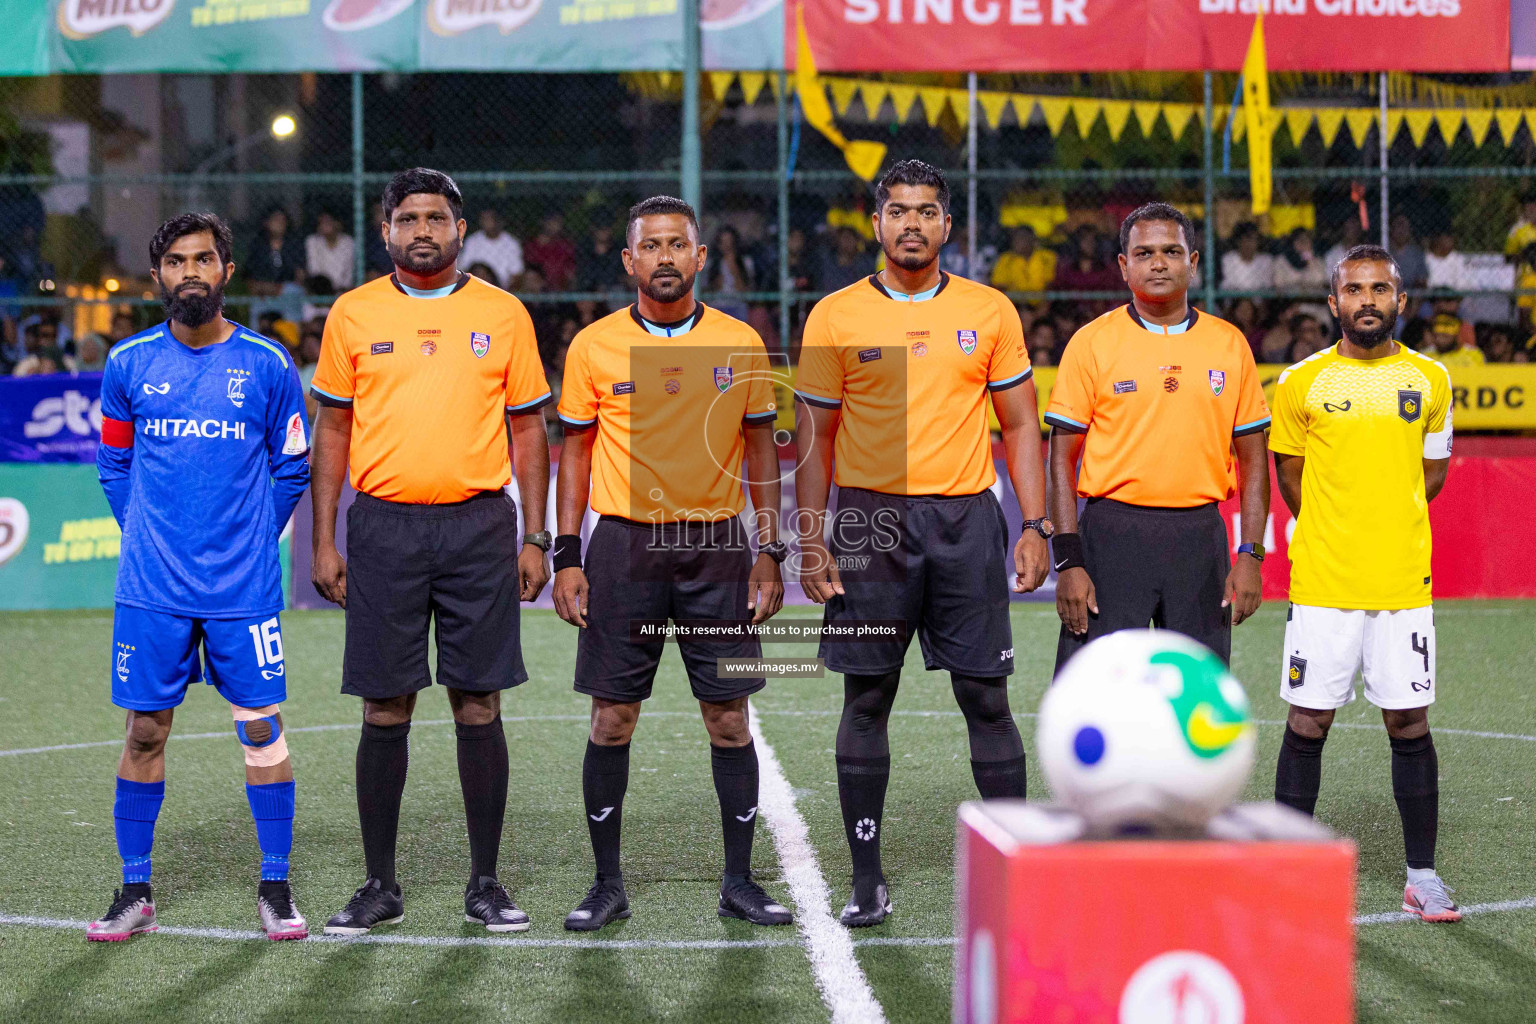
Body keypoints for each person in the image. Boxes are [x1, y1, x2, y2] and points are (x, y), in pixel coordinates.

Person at [794, 160, 1050, 928]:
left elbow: (1021, 425)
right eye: (898, 211)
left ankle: (1015, 875)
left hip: (965, 521)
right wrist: (812, 540)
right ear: (876, 224)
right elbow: (814, 435)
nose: (912, 223)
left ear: (947, 226)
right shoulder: (834, 315)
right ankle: (866, 877)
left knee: (985, 696)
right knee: (867, 696)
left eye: (927, 211)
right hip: (870, 525)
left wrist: (1034, 525)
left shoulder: (990, 310)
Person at [308, 169, 553, 936]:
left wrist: (536, 535)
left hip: (480, 527)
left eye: (436, 218)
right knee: (386, 705)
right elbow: (334, 431)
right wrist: (324, 537)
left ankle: (485, 882)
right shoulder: (352, 314)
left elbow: (529, 432)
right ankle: (380, 884)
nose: (422, 230)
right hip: (382, 527)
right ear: (385, 231)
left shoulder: (503, 312)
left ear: (460, 228)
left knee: (478, 701)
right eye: (408, 218)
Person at [552, 195, 790, 932]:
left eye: (676, 245)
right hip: (625, 547)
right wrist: (566, 554)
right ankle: (606, 883)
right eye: (649, 246)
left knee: (728, 718)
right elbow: (576, 452)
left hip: (719, 547)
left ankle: (740, 882)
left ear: (699, 257)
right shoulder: (593, 346)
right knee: (613, 718)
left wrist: (771, 549)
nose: (663, 257)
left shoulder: (741, 341)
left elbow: (760, 450)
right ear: (629, 261)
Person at [88, 212, 311, 941]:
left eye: (205, 260)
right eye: (178, 261)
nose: (192, 272)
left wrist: (249, 536)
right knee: (145, 732)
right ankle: (134, 891)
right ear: (158, 275)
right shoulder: (127, 365)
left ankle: (275, 886)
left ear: (227, 271)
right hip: (152, 589)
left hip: (242, 589)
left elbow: (292, 466)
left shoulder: (269, 365)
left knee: (263, 731)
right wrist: (150, 533)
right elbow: (114, 464)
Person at [1269, 244, 1459, 923]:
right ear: (1333, 302)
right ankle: (1287, 867)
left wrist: (1385, 518)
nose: (1368, 300)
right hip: (1324, 582)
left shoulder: (1432, 378)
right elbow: (1289, 477)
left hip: (1404, 582)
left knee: (1409, 723)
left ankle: (1422, 877)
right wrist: (1336, 525)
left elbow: (1431, 473)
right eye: (1354, 289)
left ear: (1401, 300)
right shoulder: (1300, 382)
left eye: (1381, 288)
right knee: (1309, 721)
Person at [1046, 203, 1271, 673]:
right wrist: (1068, 561)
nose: (1159, 262)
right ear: (1125, 267)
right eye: (1144, 253)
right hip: (1111, 537)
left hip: (1199, 539)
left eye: (1172, 250)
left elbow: (1253, 464)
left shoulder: (1229, 344)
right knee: (1094, 695)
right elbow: (1060, 461)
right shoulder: (1091, 342)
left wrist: (1250, 553)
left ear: (1192, 263)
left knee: (1196, 701)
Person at [243, 207, 306, 296]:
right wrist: (266, 287)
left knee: (292, 290)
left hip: (288, 292)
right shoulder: (258, 247)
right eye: (276, 219)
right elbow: (250, 277)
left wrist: (280, 288)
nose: (280, 223)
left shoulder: (294, 245)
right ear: (267, 223)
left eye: (283, 220)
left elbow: (300, 275)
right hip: (263, 293)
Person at [460, 208, 524, 290]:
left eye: (489, 218)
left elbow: (517, 274)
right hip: (475, 285)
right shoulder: (473, 241)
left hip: (502, 287)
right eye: (483, 219)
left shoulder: (511, 243)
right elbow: (464, 268)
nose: (485, 222)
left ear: (499, 221)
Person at [990, 226, 1058, 301]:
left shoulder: (1047, 257)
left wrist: (1041, 309)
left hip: (1042, 304)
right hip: (1013, 304)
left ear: (1032, 240)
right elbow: (998, 285)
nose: (1017, 242)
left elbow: (1051, 285)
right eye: (1015, 238)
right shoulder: (1005, 259)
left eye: (1022, 238)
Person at [704, 224, 756, 322]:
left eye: (730, 242)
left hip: (737, 305)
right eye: (723, 242)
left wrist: (735, 270)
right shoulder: (711, 264)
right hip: (717, 306)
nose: (727, 246)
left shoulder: (745, 262)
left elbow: (745, 291)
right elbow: (708, 291)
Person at [524, 212, 577, 291]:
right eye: (552, 221)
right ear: (543, 222)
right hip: (539, 289)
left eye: (558, 221)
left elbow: (571, 271)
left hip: (561, 289)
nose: (556, 225)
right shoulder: (532, 246)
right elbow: (530, 270)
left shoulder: (565, 246)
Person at [814, 226, 876, 293]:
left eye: (850, 238)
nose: (847, 242)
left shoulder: (865, 263)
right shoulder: (829, 264)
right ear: (838, 241)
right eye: (845, 238)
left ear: (856, 241)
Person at [304, 210, 355, 292]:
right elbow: (314, 271)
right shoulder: (312, 241)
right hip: (319, 291)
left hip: (342, 290)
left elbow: (348, 276)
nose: (324, 225)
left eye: (328, 221)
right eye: (321, 222)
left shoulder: (348, 242)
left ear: (337, 223)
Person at [1220, 221, 1274, 293]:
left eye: (1254, 239)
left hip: (1258, 301)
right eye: (1247, 238)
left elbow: (1266, 285)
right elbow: (1228, 285)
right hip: (1235, 300)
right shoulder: (1228, 259)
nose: (1251, 243)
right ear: (1238, 241)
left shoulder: (1266, 260)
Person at [1273, 227, 1329, 296]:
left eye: (1306, 240)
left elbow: (1320, 280)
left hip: (1312, 302)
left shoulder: (1317, 261)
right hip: (1288, 301)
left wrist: (1308, 257)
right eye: (1299, 240)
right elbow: (1278, 285)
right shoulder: (1281, 261)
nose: (1303, 244)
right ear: (1291, 243)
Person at [1390, 214, 1429, 293]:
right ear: (1391, 229)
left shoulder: (1417, 253)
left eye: (1404, 227)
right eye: (1398, 226)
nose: (1401, 231)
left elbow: (1422, 279)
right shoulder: (1383, 252)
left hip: (1411, 296)